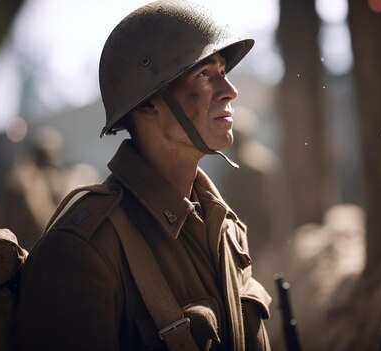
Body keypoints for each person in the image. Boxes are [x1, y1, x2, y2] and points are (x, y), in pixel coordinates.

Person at [15, 1, 272, 350]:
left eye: (223, 72)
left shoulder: (226, 229)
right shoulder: (84, 249)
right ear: (147, 103)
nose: (230, 91)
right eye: (204, 74)